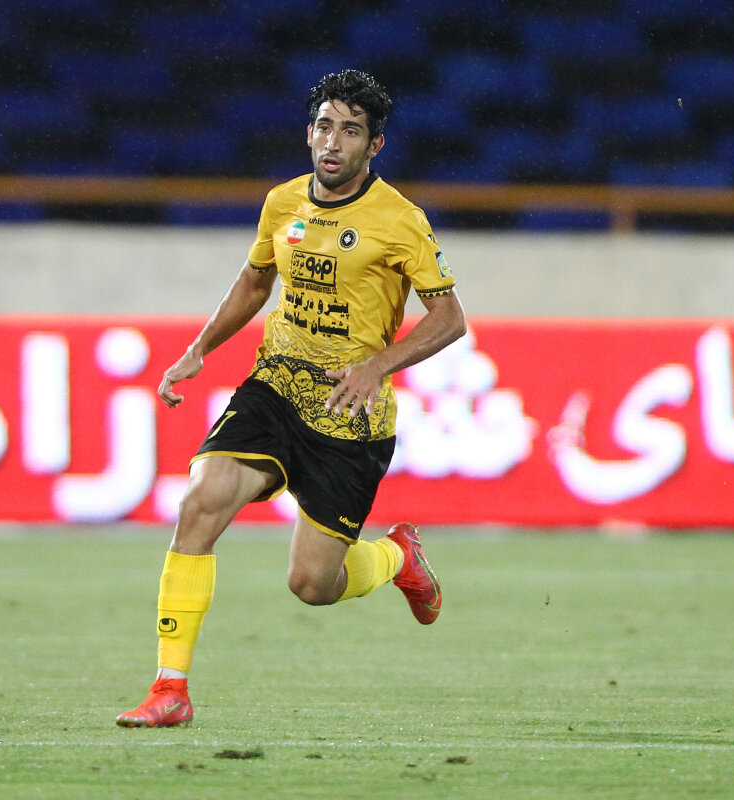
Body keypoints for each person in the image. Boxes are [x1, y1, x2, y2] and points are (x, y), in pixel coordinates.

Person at [116, 69, 467, 728]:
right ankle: (171, 689)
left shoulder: (401, 221)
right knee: (199, 504)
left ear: (375, 146)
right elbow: (256, 282)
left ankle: (398, 556)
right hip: (275, 386)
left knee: (312, 585)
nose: (334, 142)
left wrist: (377, 366)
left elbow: (450, 320)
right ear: (309, 132)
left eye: (351, 131)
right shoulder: (282, 204)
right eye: (325, 126)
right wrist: (199, 347)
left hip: (349, 416)